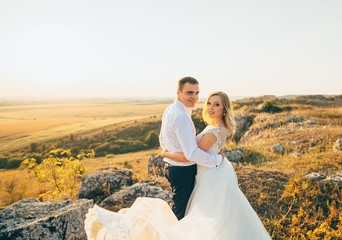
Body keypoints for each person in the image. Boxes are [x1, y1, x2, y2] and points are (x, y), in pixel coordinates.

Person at [84, 89, 272, 239]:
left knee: (210, 216)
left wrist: (166, 153)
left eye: (217, 104)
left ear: (225, 109)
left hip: (212, 176)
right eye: (209, 103)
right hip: (210, 172)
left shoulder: (216, 130)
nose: (211, 107)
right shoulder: (214, 127)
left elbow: (190, 155)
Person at [159, 76, 223, 220]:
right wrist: (217, 159)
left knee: (183, 210)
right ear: (178, 92)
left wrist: (168, 152)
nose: (194, 97)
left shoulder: (170, 109)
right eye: (189, 93)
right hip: (183, 172)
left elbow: (162, 138)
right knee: (181, 216)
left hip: (173, 168)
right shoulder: (181, 116)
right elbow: (192, 153)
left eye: (197, 93)